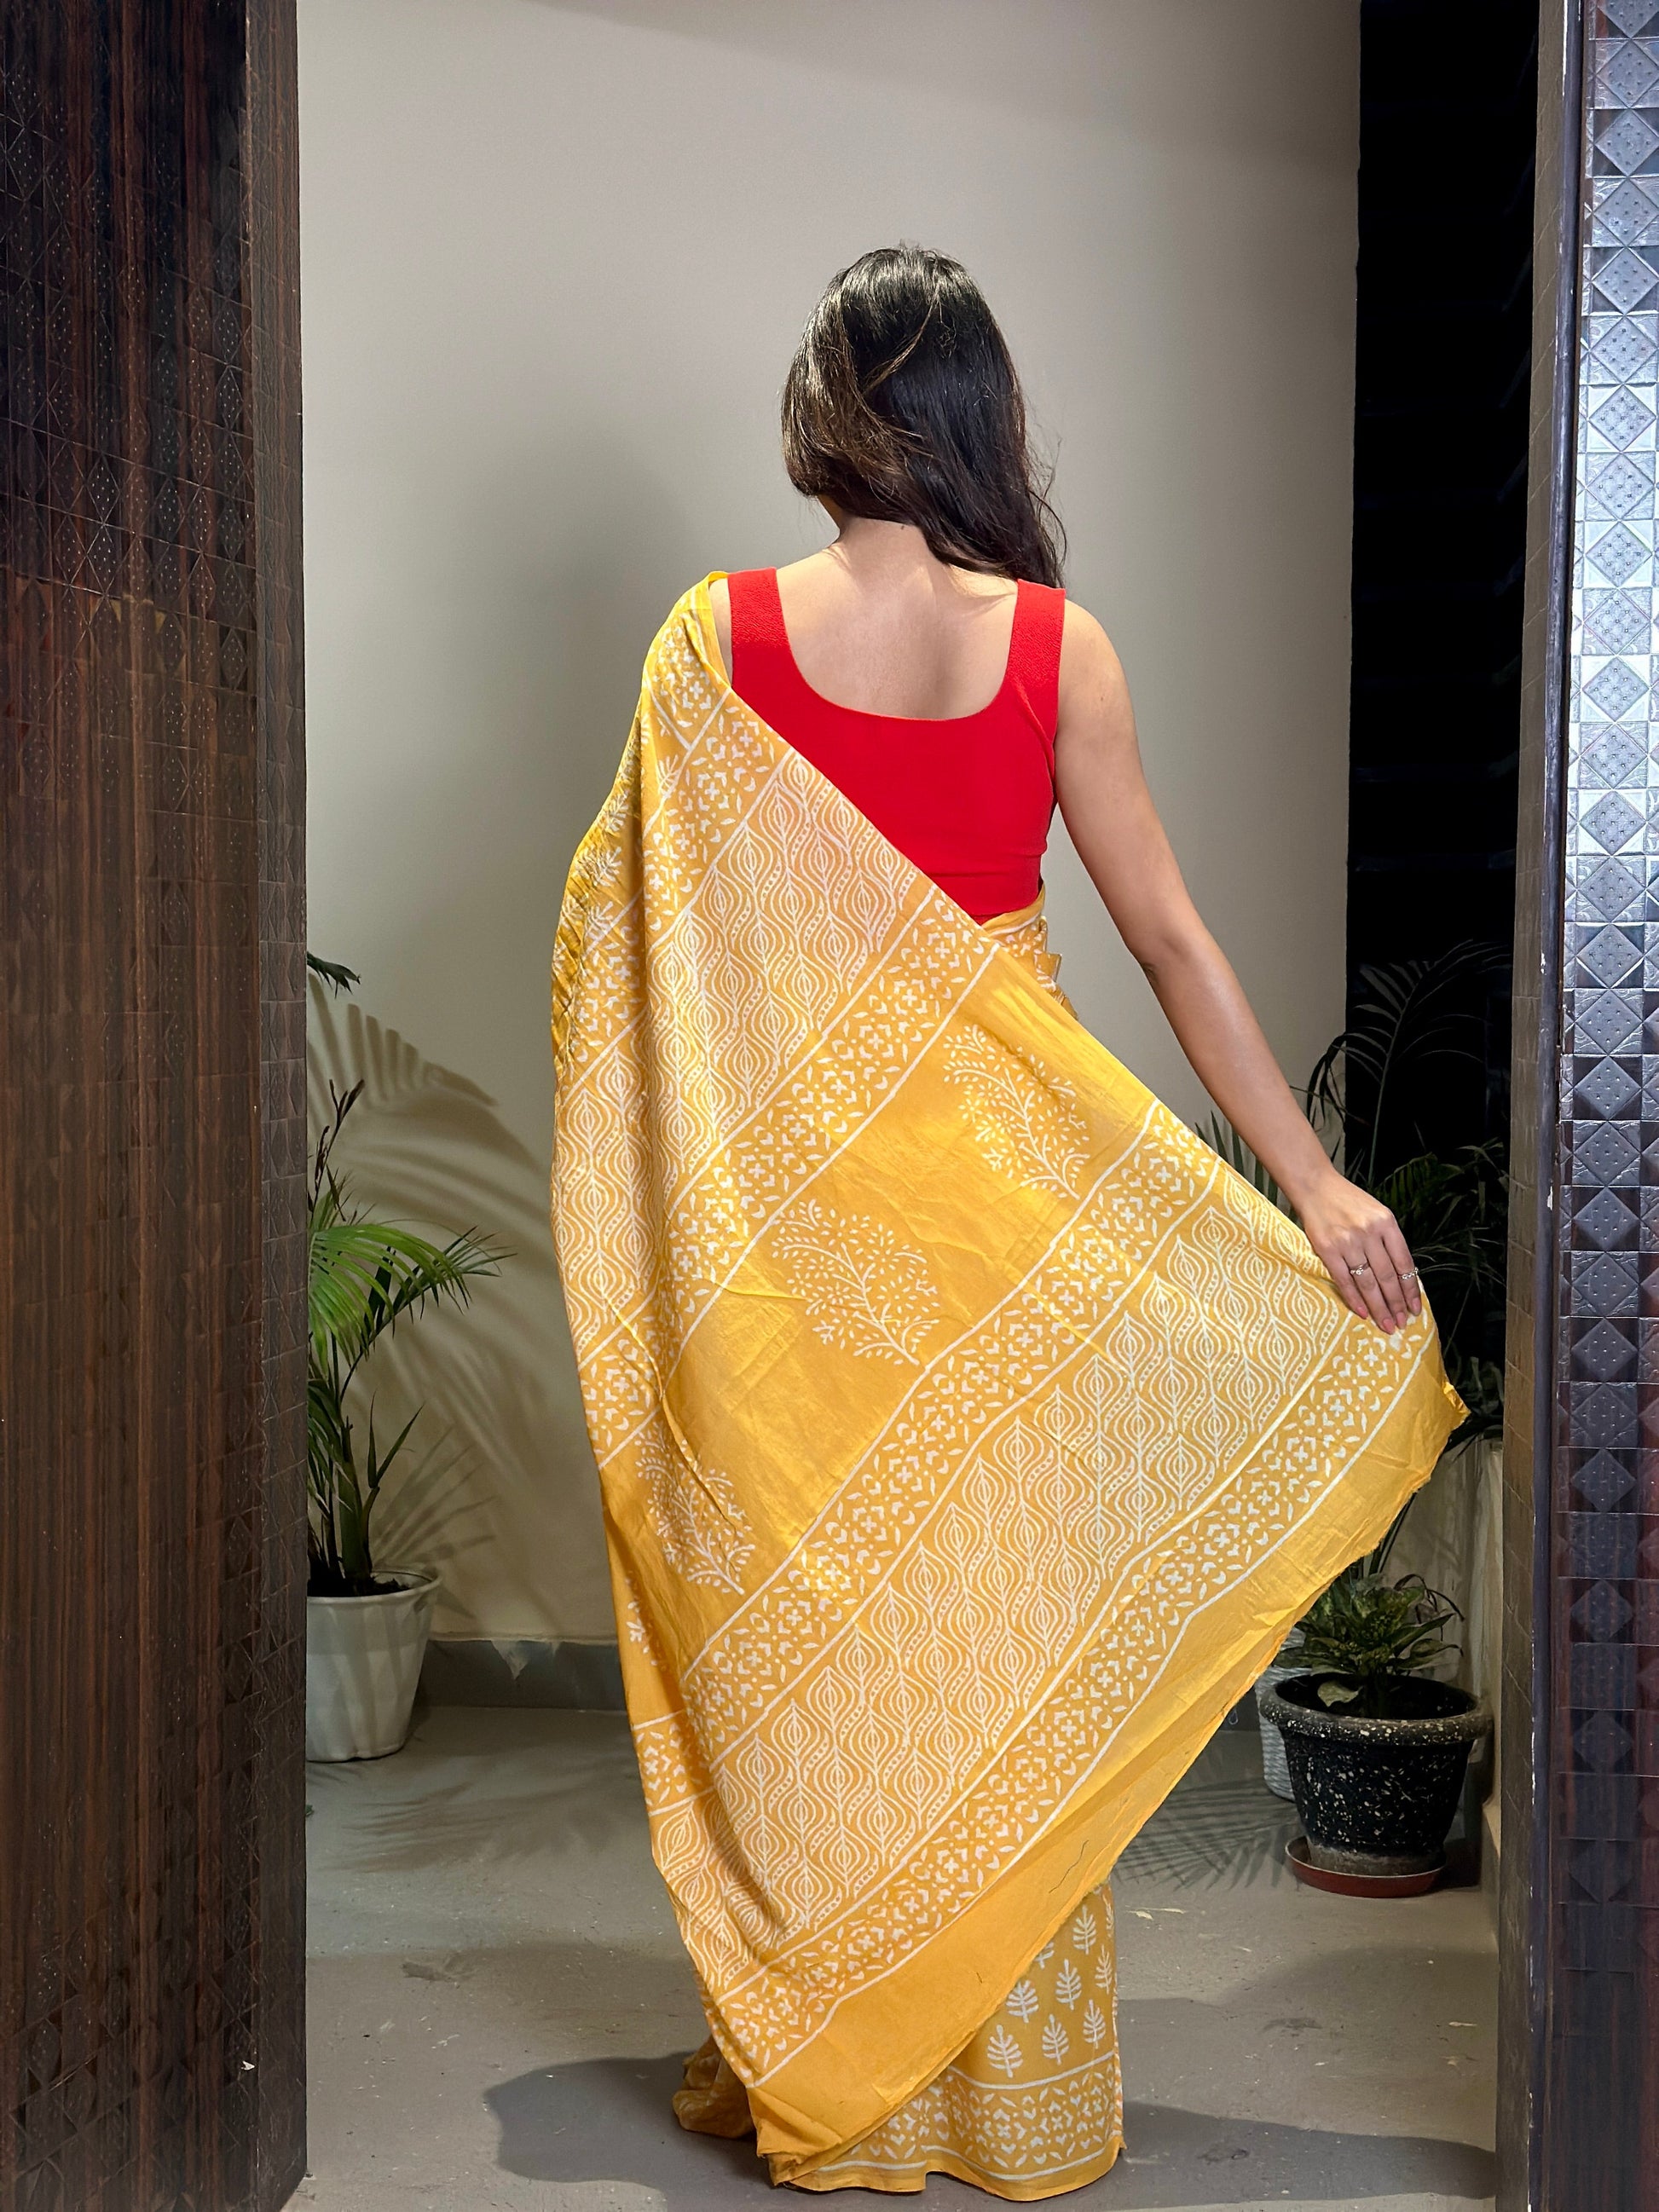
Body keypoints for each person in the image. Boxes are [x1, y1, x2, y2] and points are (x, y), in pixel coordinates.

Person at [551, 245, 1461, 2198]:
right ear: (985, 420)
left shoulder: (713, 643)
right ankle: (998, 2099)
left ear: (821, 413)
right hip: (1009, 1235)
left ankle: (837, 2057)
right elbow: (1170, 940)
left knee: (847, 1660)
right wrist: (1310, 1181)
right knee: (999, 1669)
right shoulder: (1057, 646)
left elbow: (637, 956)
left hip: (804, 1253)